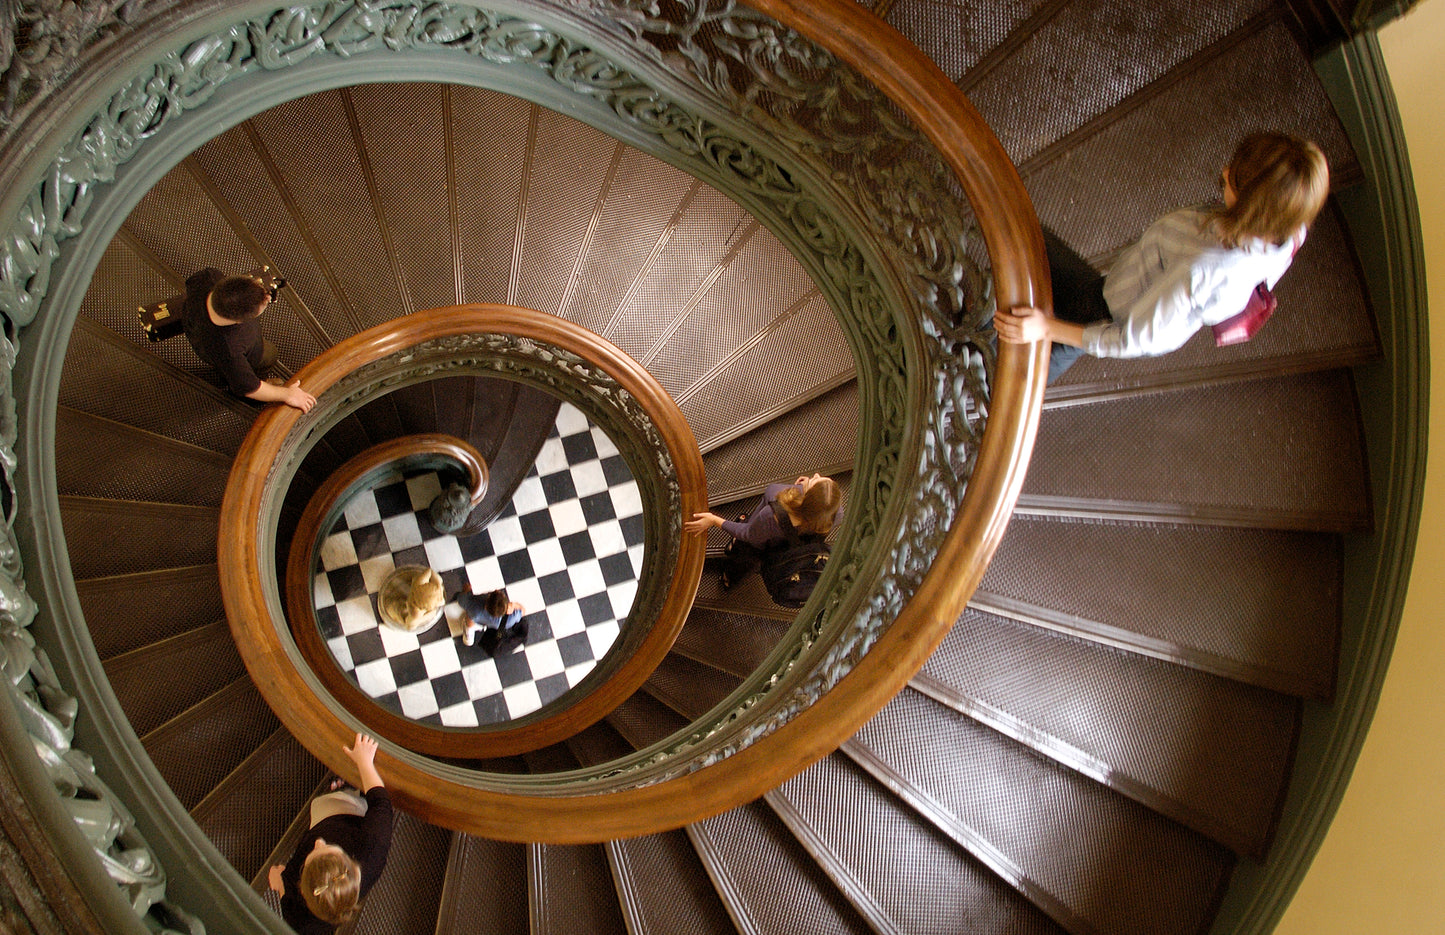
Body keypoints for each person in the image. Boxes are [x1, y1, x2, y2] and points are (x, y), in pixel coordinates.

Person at [994, 132, 1330, 383]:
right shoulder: (1290, 230)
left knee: (1023, 368)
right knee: (1033, 246)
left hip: (1107, 311)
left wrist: (1045, 328)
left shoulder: (1202, 269)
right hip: (1124, 282)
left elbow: (1133, 339)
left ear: (1251, 209)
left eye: (1235, 181)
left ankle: (994, 393)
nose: (1225, 172)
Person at [268, 733, 392, 934]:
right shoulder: (372, 849)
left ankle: (343, 788)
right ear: (351, 862)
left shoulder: (300, 922)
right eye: (328, 849)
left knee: (321, 805)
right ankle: (348, 788)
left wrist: (281, 884)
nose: (318, 842)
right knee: (348, 802)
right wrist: (364, 762)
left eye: (310, 859)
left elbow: (287, 900)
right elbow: (380, 802)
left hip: (325, 819)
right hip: (348, 819)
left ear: (302, 889)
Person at [182, 268, 316, 411]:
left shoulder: (208, 277)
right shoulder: (229, 351)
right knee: (269, 356)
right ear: (240, 321)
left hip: (193, 324)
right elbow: (250, 388)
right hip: (241, 359)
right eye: (263, 305)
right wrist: (287, 394)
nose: (268, 298)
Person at [685, 473, 842, 589]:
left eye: (815, 480)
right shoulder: (834, 514)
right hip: (786, 548)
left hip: (758, 545)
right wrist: (807, 486)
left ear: (806, 499)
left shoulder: (772, 515)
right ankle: (731, 577)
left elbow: (747, 534)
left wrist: (713, 520)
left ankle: (729, 578)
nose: (815, 475)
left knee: (742, 557)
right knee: (749, 558)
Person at [456, 587, 527, 654]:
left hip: (476, 618)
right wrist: (513, 605)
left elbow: (460, 598)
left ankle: (469, 635)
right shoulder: (511, 618)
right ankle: (477, 629)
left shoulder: (473, 604)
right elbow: (523, 611)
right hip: (494, 625)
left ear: (488, 598)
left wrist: (467, 588)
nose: (496, 590)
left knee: (470, 619)